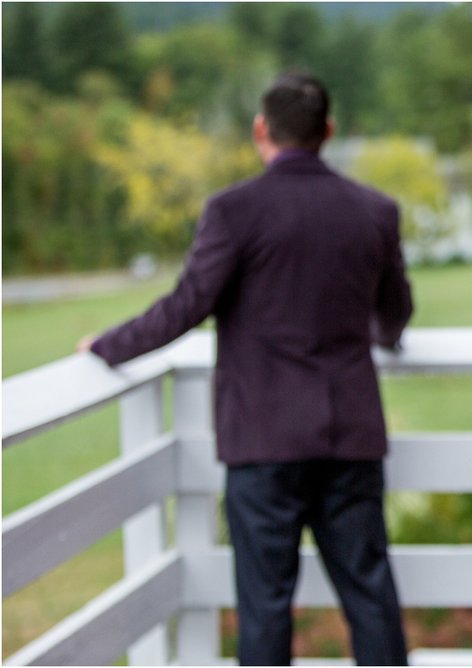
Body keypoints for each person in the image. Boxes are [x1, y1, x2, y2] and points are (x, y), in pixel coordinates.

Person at [79, 73, 413, 666]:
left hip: (264, 440)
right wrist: (384, 335)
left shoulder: (235, 210)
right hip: (349, 437)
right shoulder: (375, 211)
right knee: (370, 597)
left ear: (261, 130)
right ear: (328, 132)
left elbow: (187, 306)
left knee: (263, 607)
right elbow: (395, 313)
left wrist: (106, 346)